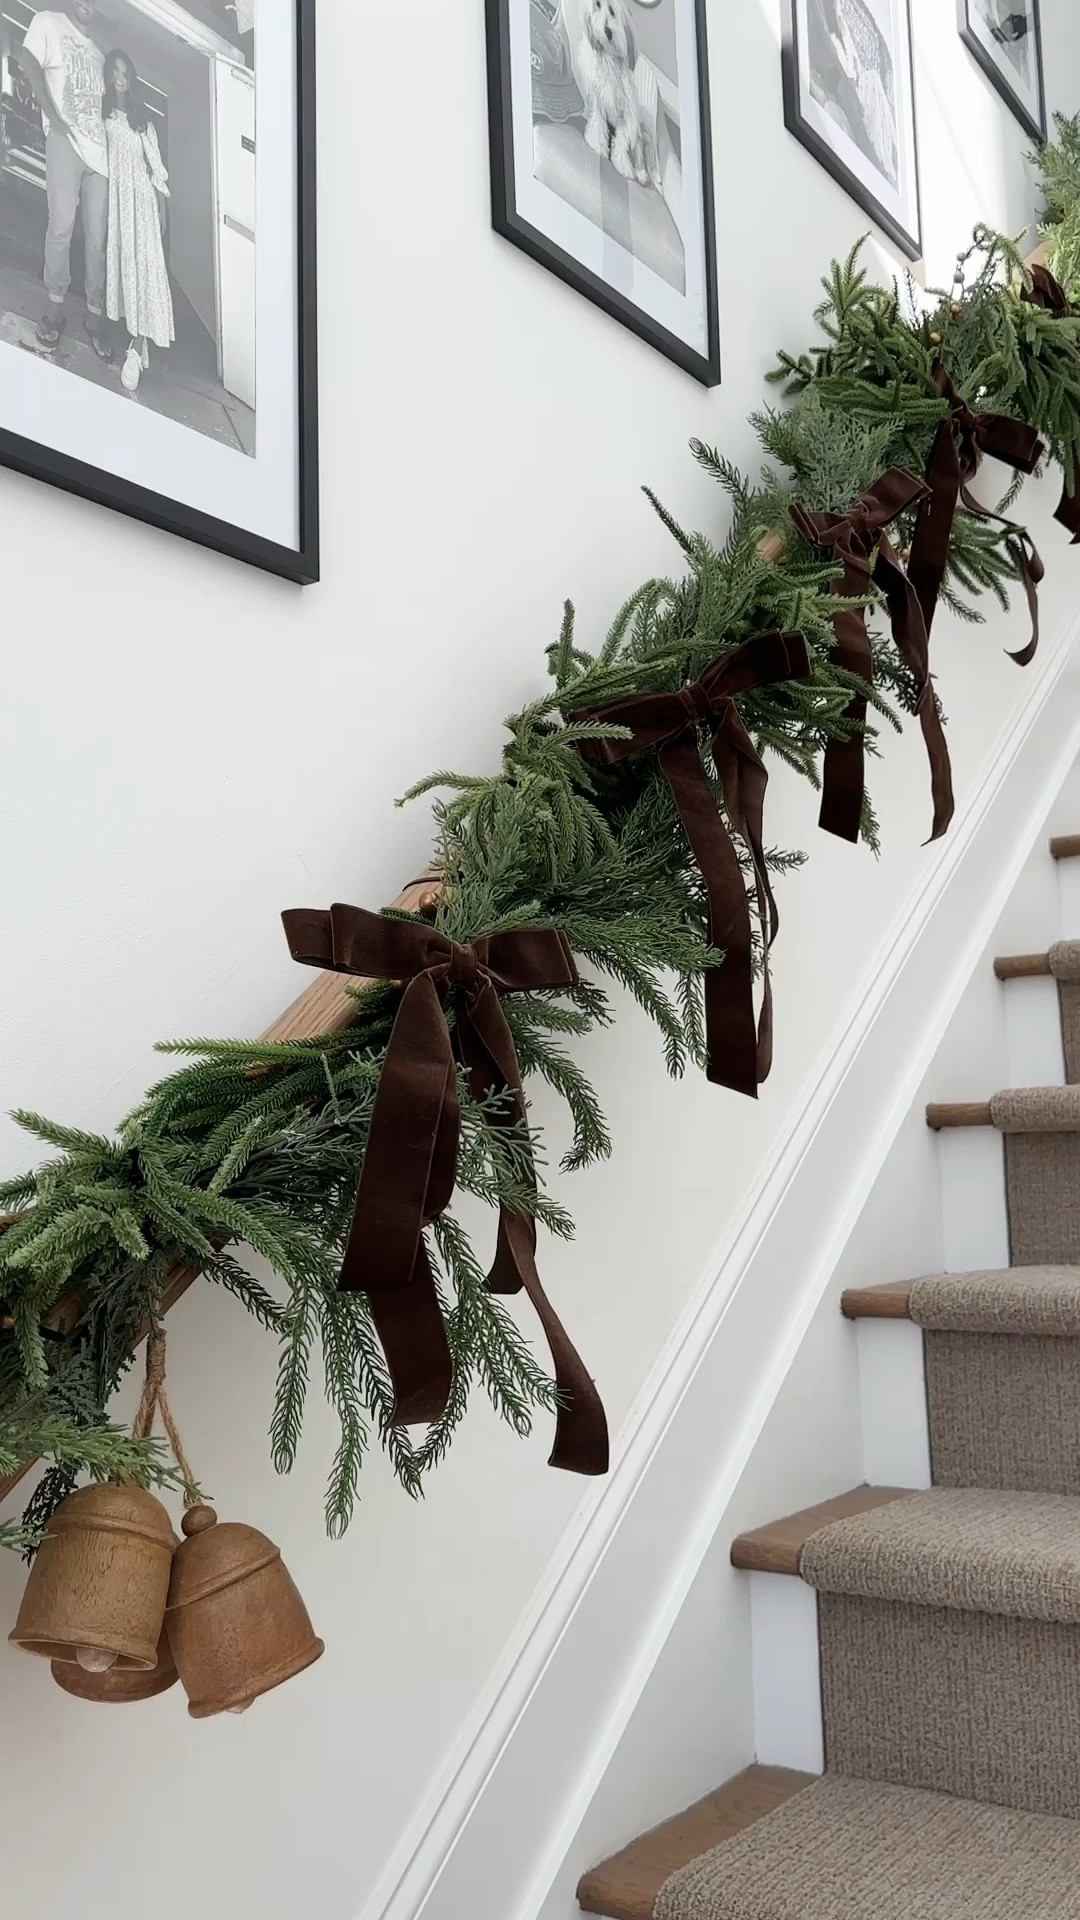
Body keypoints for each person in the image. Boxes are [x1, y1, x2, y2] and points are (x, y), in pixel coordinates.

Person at [15, 1, 111, 358]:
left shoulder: (100, 54)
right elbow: (27, 61)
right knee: (61, 227)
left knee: (98, 239)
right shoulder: (48, 23)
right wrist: (53, 118)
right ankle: (54, 312)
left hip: (99, 156)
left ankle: (94, 318)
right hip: (65, 143)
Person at [101, 51, 174, 395]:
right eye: (115, 71)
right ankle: (136, 339)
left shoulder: (142, 119)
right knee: (124, 270)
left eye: (125, 72)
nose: (120, 78)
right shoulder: (101, 114)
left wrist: (160, 210)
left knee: (144, 271)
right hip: (117, 203)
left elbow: (156, 168)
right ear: (108, 74)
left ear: (131, 78)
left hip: (142, 202)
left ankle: (135, 347)